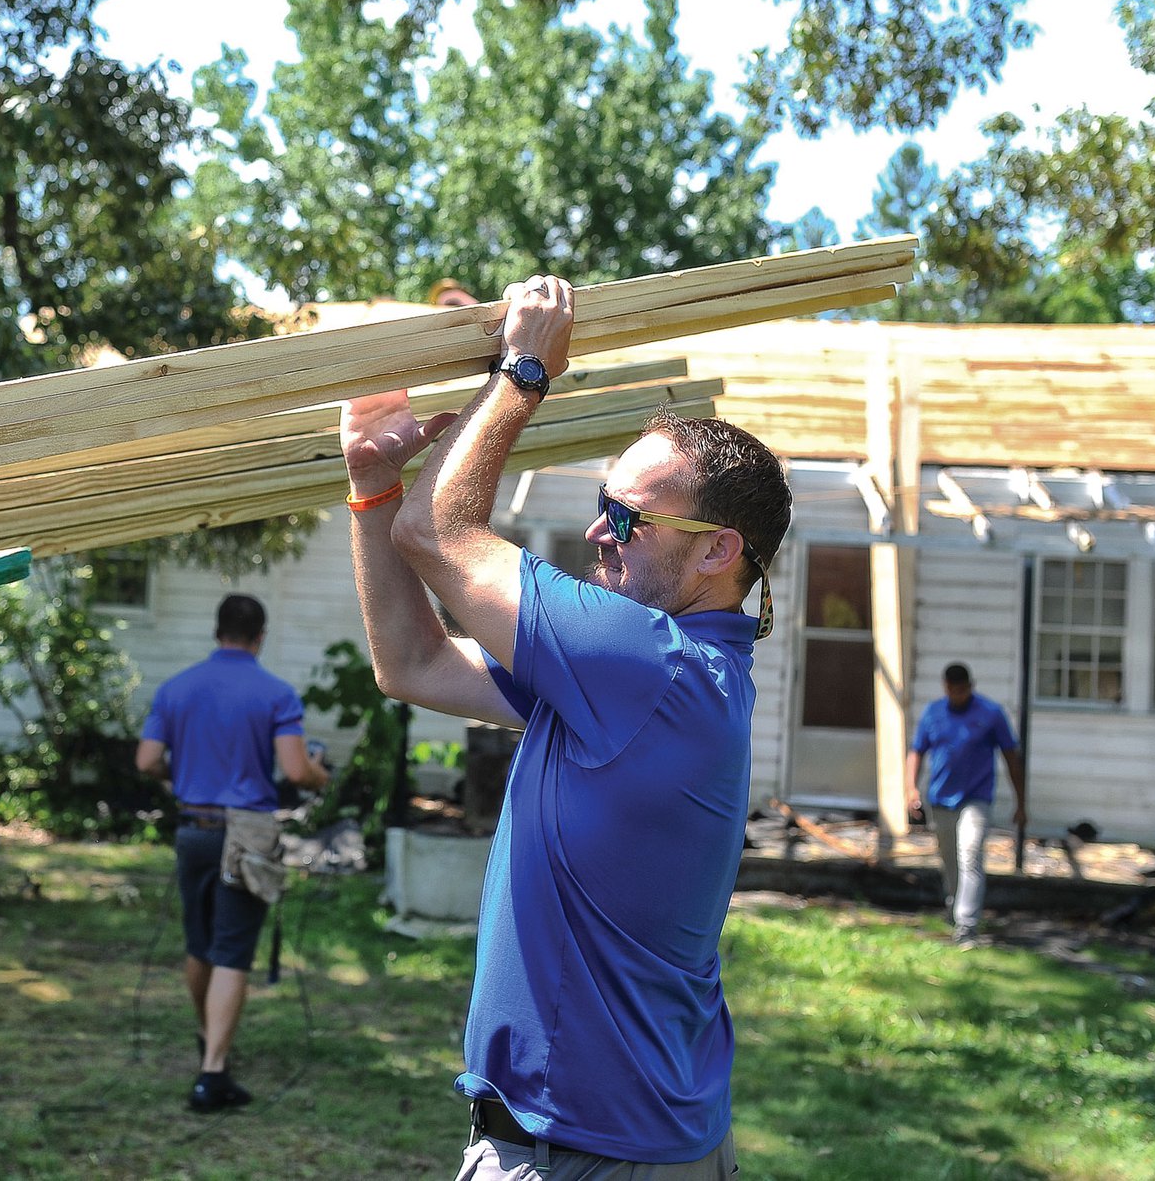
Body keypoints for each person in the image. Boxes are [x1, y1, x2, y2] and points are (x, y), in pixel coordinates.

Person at [341, 273, 789, 1179]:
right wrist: (373, 488)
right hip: (621, 1144)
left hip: (584, 1154)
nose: (597, 531)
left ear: (716, 551)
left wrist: (523, 374)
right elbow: (413, 665)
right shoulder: (640, 678)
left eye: (628, 514)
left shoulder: (649, 665)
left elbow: (439, 533)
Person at [135, 593, 329, 1112]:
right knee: (232, 951)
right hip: (246, 833)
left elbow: (147, 759)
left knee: (200, 945)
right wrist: (318, 772)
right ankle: (213, 1072)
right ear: (259, 637)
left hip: (194, 829)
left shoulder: (177, 688)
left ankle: (207, 1036)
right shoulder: (275, 694)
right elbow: (294, 772)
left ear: (216, 631)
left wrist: (181, 776)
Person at [904, 662, 1027, 948]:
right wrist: (911, 788)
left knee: (970, 854)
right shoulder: (933, 713)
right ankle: (954, 905)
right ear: (945, 687)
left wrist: (1021, 803)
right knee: (949, 859)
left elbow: (1011, 758)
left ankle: (967, 925)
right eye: (952, 690)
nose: (958, 695)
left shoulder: (991, 714)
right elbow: (917, 752)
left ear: (971, 686)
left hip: (976, 799)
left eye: (962, 690)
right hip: (941, 799)